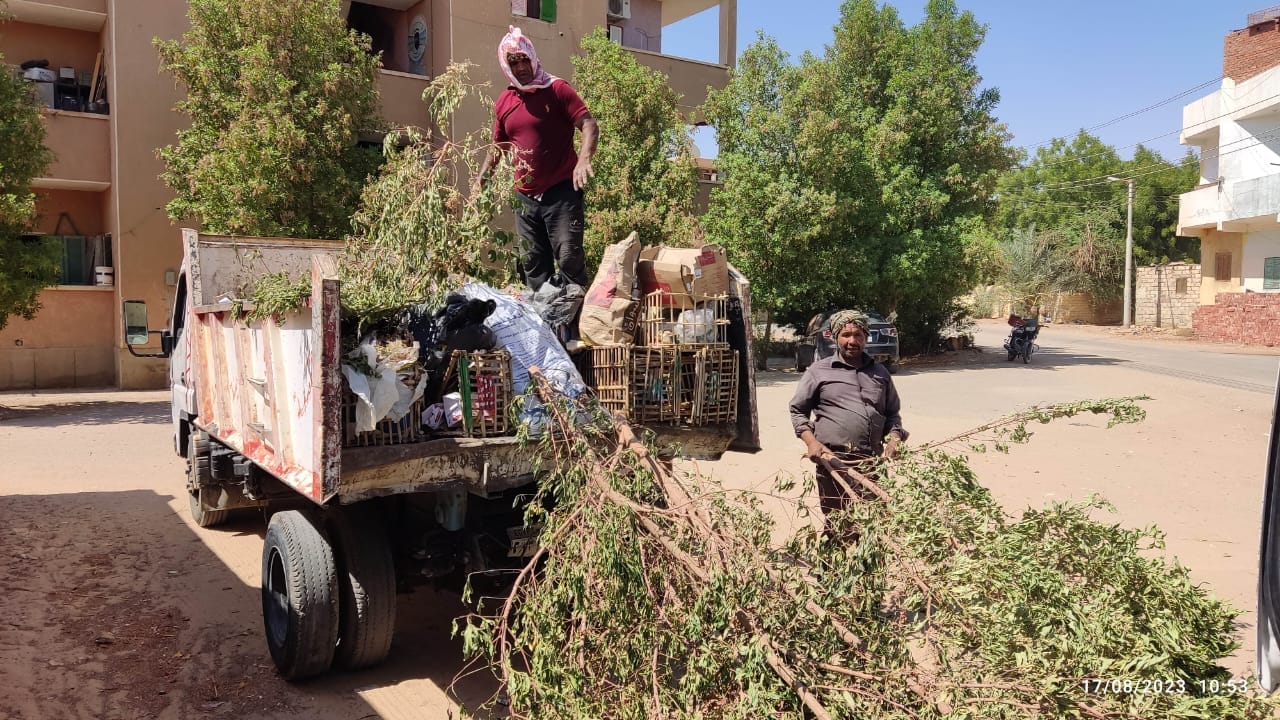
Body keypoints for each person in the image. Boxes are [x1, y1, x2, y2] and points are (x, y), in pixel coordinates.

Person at [479, 26, 598, 293]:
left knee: (568, 257)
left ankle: (575, 326)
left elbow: (589, 124)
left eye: (524, 60)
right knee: (533, 264)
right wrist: (483, 177)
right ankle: (546, 326)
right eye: (514, 62)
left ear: (533, 58)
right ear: (506, 66)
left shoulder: (557, 89)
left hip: (562, 190)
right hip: (525, 198)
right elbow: (498, 146)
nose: (521, 67)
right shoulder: (504, 102)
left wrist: (583, 159)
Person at [789, 310, 907, 522]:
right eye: (846, 335)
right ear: (836, 338)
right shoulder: (818, 372)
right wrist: (811, 443)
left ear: (866, 338)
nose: (852, 341)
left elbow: (892, 415)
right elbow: (798, 411)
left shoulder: (881, 373)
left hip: (871, 462)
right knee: (838, 525)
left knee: (875, 524)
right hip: (832, 462)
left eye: (858, 335)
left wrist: (894, 439)